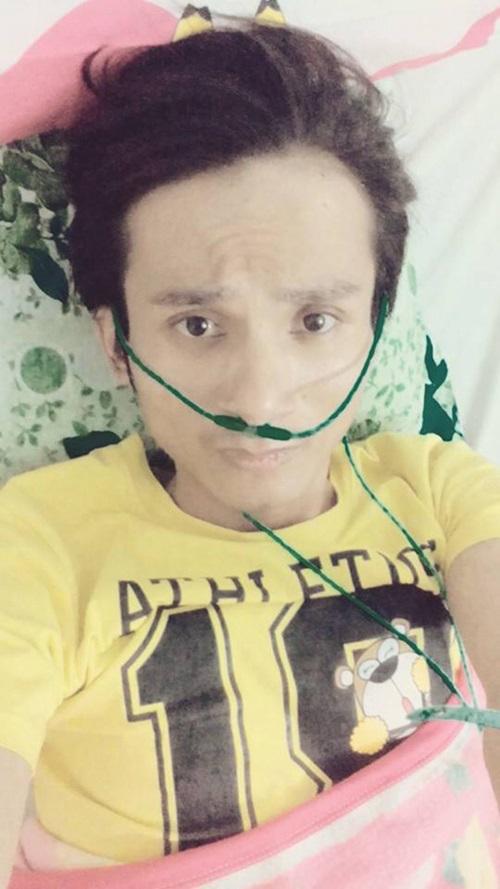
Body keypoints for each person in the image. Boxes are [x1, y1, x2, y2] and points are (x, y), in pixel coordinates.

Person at [1, 18, 499, 889]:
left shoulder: (441, 492)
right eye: (197, 324)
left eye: (316, 320)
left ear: (375, 327)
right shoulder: (38, 541)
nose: (262, 400)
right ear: (117, 344)